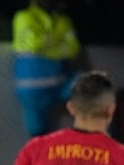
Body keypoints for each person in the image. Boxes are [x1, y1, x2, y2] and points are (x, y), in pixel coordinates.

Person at [12, 0, 81, 137]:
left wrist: (46, 44)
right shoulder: (23, 17)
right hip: (33, 90)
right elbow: (33, 44)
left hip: (60, 85)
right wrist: (59, 43)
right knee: (38, 136)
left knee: (92, 92)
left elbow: (73, 48)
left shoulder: (63, 19)